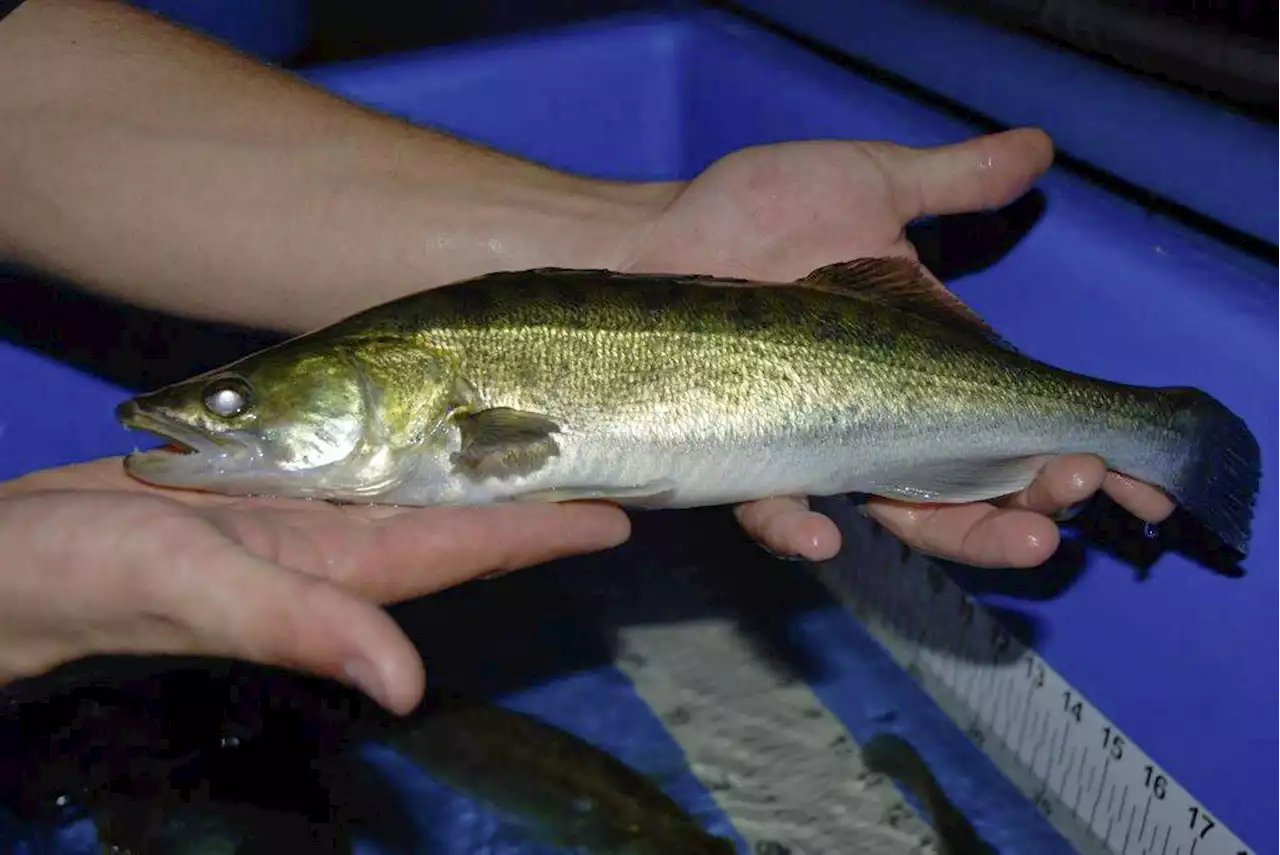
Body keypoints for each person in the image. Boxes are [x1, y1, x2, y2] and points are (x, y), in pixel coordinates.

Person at [0, 0, 1174, 714]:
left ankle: (1138, 422)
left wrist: (627, 243)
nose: (207, 413)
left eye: (231, 399)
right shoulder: (424, 397)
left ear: (389, 390)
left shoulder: (444, 386)